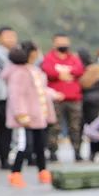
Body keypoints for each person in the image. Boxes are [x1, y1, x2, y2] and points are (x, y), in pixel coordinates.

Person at [3, 42, 57, 187]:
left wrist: (54, 94)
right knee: (24, 146)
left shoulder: (34, 70)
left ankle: (43, 171)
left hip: (38, 115)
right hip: (25, 117)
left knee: (40, 145)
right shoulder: (18, 72)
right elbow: (16, 95)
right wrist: (21, 114)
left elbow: (41, 90)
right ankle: (15, 173)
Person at [40, 33, 85, 162]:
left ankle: (77, 151)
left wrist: (61, 73)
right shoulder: (49, 58)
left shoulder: (74, 58)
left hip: (74, 98)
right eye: (60, 42)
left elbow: (79, 70)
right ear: (54, 43)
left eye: (65, 42)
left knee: (75, 126)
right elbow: (48, 71)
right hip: (56, 98)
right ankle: (53, 151)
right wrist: (63, 74)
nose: (63, 44)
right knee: (54, 126)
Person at [0, 26, 18, 169]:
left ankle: (6, 156)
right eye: (7, 36)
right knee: (3, 129)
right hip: (2, 96)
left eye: (13, 36)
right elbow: (8, 69)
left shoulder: (15, 51)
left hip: (13, 96)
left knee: (9, 128)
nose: (11, 39)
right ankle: (3, 158)